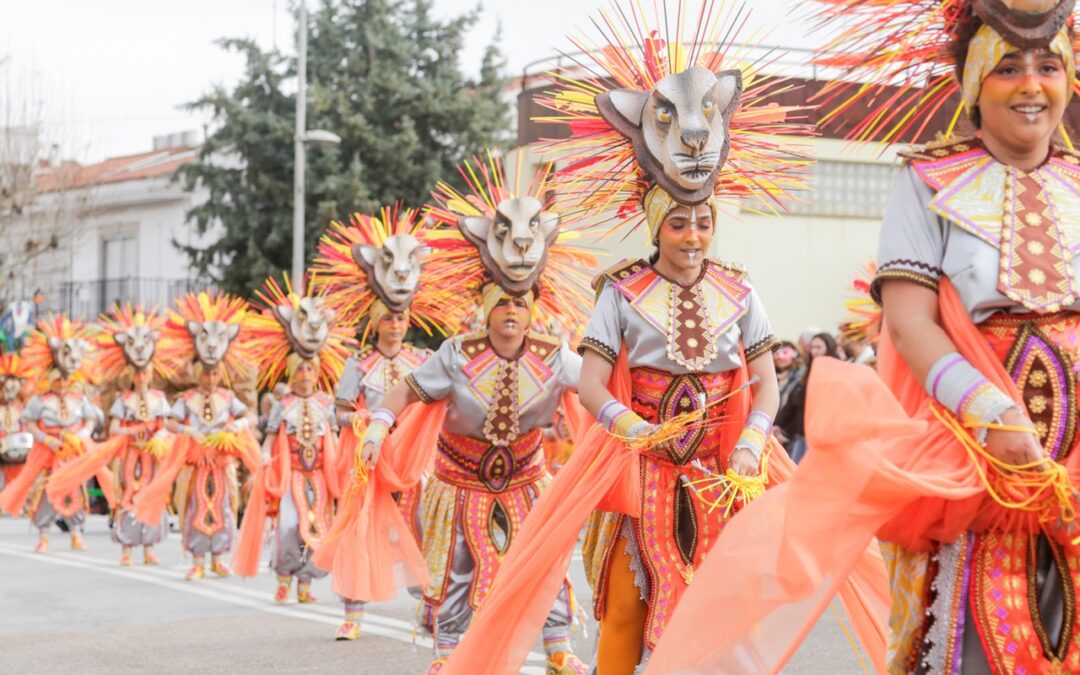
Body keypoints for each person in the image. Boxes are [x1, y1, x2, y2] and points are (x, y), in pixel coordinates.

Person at [631, 1, 1080, 672]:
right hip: (971, 461)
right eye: (1008, 67)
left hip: (1072, 464)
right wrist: (991, 413)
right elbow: (910, 321)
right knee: (982, 637)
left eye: (1049, 66)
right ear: (973, 84)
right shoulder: (926, 183)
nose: (1031, 85)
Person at [434, 4, 823, 673]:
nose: (694, 238)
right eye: (679, 225)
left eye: (703, 224)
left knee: (725, 610)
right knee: (626, 605)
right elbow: (588, 382)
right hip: (639, 472)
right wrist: (627, 422)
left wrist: (756, 439)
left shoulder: (741, 290)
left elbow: (763, 381)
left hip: (724, 474)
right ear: (655, 223)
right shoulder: (620, 292)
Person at [316, 151, 595, 674]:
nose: (511, 314)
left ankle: (558, 647)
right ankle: (448, 653)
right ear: (486, 307)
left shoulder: (555, 356)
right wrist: (376, 425)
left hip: (528, 477)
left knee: (545, 561)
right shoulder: (455, 354)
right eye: (502, 305)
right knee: (457, 566)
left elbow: (600, 392)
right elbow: (401, 394)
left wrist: (630, 416)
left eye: (520, 305)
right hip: (458, 477)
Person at [307, 205, 451, 641]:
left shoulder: (420, 362)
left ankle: (431, 608)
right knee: (359, 535)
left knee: (427, 528)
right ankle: (353, 615)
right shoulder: (359, 363)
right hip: (369, 465)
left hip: (411, 466)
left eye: (400, 318)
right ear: (375, 323)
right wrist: (365, 420)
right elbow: (341, 410)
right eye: (387, 318)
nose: (394, 325)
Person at [233, 276, 351, 606]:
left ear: (316, 373)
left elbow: (338, 440)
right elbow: (270, 437)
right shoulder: (282, 407)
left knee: (318, 527)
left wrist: (344, 466)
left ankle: (305, 583)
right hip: (290, 475)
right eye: (299, 371)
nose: (304, 376)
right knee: (288, 526)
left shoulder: (327, 404)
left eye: (309, 371)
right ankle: (283, 579)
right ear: (292, 372)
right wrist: (265, 459)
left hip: (321, 478)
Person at [134, 292, 260, 581]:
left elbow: (250, 417)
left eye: (215, 373)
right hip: (195, 466)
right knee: (194, 509)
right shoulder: (187, 398)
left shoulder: (229, 398)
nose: (211, 378)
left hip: (222, 464)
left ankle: (219, 559)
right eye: (206, 373)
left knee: (225, 510)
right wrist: (188, 430)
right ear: (199, 373)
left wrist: (237, 427)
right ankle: (198, 560)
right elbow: (170, 421)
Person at [46, 305, 175, 566]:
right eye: (137, 374)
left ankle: (149, 547)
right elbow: (113, 428)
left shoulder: (159, 399)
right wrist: (132, 431)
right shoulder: (123, 400)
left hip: (152, 457)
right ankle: (126, 547)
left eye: (144, 373)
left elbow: (167, 424)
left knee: (152, 495)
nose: (140, 378)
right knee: (127, 495)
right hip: (127, 455)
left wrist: (159, 437)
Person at [0, 315, 109, 552]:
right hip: (48, 452)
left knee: (76, 489)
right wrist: (45, 438)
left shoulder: (79, 399)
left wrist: (83, 433)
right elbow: (28, 422)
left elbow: (91, 418)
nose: (61, 384)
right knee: (45, 491)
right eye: (57, 380)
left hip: (73, 452)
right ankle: (43, 534)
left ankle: (76, 533)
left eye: (65, 381)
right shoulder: (40, 401)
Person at [775, 332, 840, 463]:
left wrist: (786, 432)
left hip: (818, 437)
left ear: (829, 348)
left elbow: (810, 407)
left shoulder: (835, 373)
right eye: (813, 347)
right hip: (800, 435)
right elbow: (793, 404)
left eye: (819, 347)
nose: (814, 351)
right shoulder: (807, 373)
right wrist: (777, 424)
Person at [0, 353, 30, 491]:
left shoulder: (21, 408)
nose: (10, 394)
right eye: (6, 389)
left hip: (17, 453)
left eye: (14, 390)